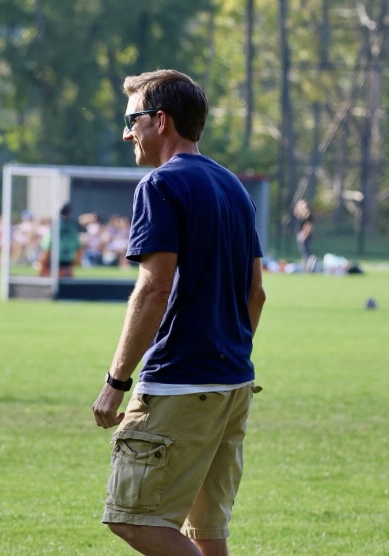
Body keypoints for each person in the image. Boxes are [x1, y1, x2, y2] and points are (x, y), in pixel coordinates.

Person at [91, 70, 266, 556]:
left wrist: (116, 382)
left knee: (132, 518)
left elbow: (153, 290)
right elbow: (257, 294)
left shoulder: (159, 185)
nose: (127, 133)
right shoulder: (234, 187)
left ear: (160, 121)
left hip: (180, 382)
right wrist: (227, 351)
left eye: (132, 120)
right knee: (206, 531)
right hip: (233, 381)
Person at [37, 203, 81, 278]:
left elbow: (47, 245)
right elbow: (78, 247)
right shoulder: (73, 227)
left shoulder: (55, 226)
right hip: (68, 262)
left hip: (53, 262)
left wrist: (42, 262)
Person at [293, 199, 314, 271]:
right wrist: (299, 205)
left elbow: (308, 226)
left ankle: (309, 263)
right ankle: (306, 263)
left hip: (304, 235)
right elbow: (296, 212)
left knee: (305, 250)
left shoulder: (308, 215)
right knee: (302, 250)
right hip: (300, 234)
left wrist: (305, 234)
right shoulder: (301, 215)